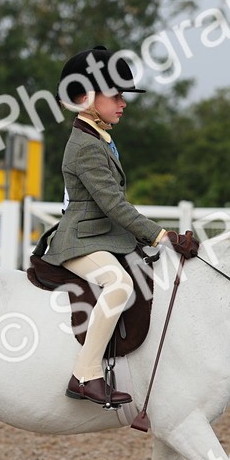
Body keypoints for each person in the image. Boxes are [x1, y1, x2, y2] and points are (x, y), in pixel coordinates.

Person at [42, 45, 168, 407]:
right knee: (119, 284)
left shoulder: (100, 139)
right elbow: (113, 204)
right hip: (80, 240)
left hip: (102, 238)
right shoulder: (85, 146)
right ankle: (86, 374)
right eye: (114, 95)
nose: (123, 102)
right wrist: (159, 235)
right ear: (84, 97)